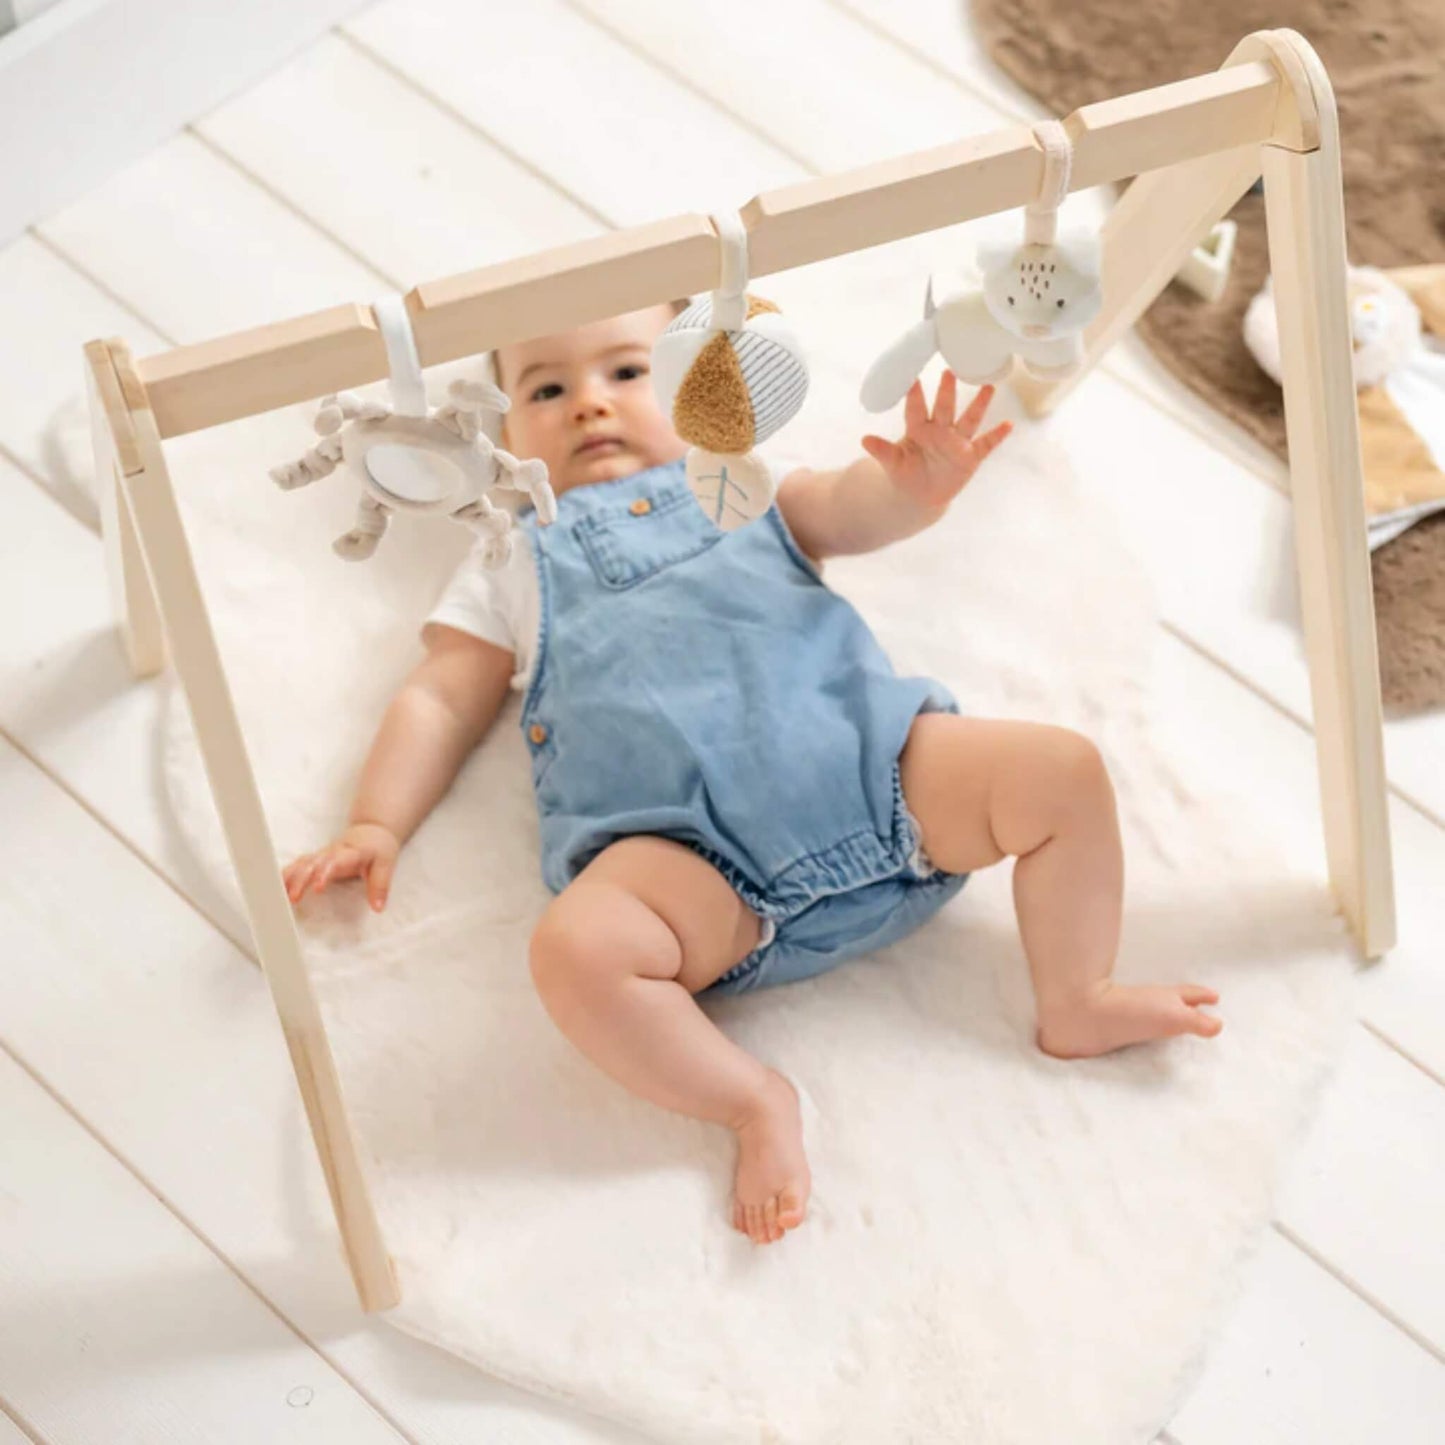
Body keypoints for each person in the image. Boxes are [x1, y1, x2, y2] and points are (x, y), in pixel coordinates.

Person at [282, 300, 1222, 1248]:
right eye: (546, 388)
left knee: (1061, 770)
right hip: (696, 873)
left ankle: (1075, 995)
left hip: (883, 785)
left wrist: (915, 488)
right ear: (502, 426)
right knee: (574, 950)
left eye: (625, 372)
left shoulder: (739, 486)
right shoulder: (505, 560)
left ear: (699, 385)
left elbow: (852, 508)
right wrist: (375, 824)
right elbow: (441, 697)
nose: (587, 407)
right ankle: (750, 1099)